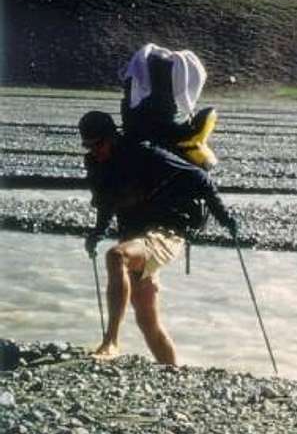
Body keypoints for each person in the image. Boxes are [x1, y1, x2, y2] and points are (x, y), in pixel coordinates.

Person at [79, 110, 237, 365]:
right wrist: (97, 233)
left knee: (116, 256)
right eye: (88, 145)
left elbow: (200, 178)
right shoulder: (99, 165)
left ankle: (111, 343)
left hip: (166, 232)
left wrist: (225, 219)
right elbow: (108, 203)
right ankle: (172, 373)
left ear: (111, 138)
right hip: (136, 239)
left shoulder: (144, 153)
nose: (94, 151)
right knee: (147, 320)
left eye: (98, 144)